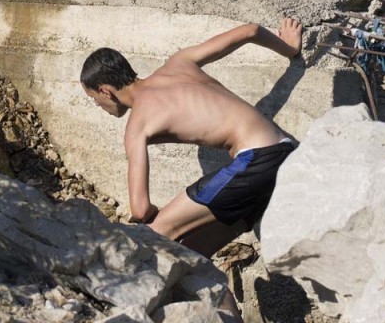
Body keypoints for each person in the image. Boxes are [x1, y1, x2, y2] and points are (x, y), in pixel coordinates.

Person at [81, 18, 303, 321]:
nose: (99, 106)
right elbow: (250, 31)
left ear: (105, 90)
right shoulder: (179, 63)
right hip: (285, 152)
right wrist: (289, 48)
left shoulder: (138, 124)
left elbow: (141, 208)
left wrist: (160, 215)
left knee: (155, 234)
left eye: (94, 100)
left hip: (256, 161)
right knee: (194, 257)